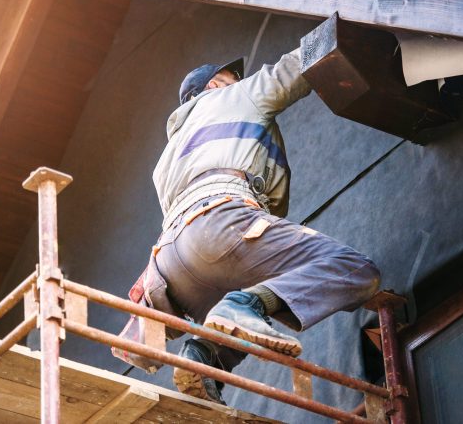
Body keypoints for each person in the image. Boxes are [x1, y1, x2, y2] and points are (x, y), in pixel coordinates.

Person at [151, 46, 381, 404]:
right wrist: (343, 32)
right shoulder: (230, 98)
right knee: (355, 269)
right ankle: (241, 308)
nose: (239, 82)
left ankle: (204, 357)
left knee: (255, 298)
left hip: (171, 265)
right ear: (214, 85)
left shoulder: (167, 156)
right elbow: (290, 72)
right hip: (220, 223)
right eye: (232, 78)